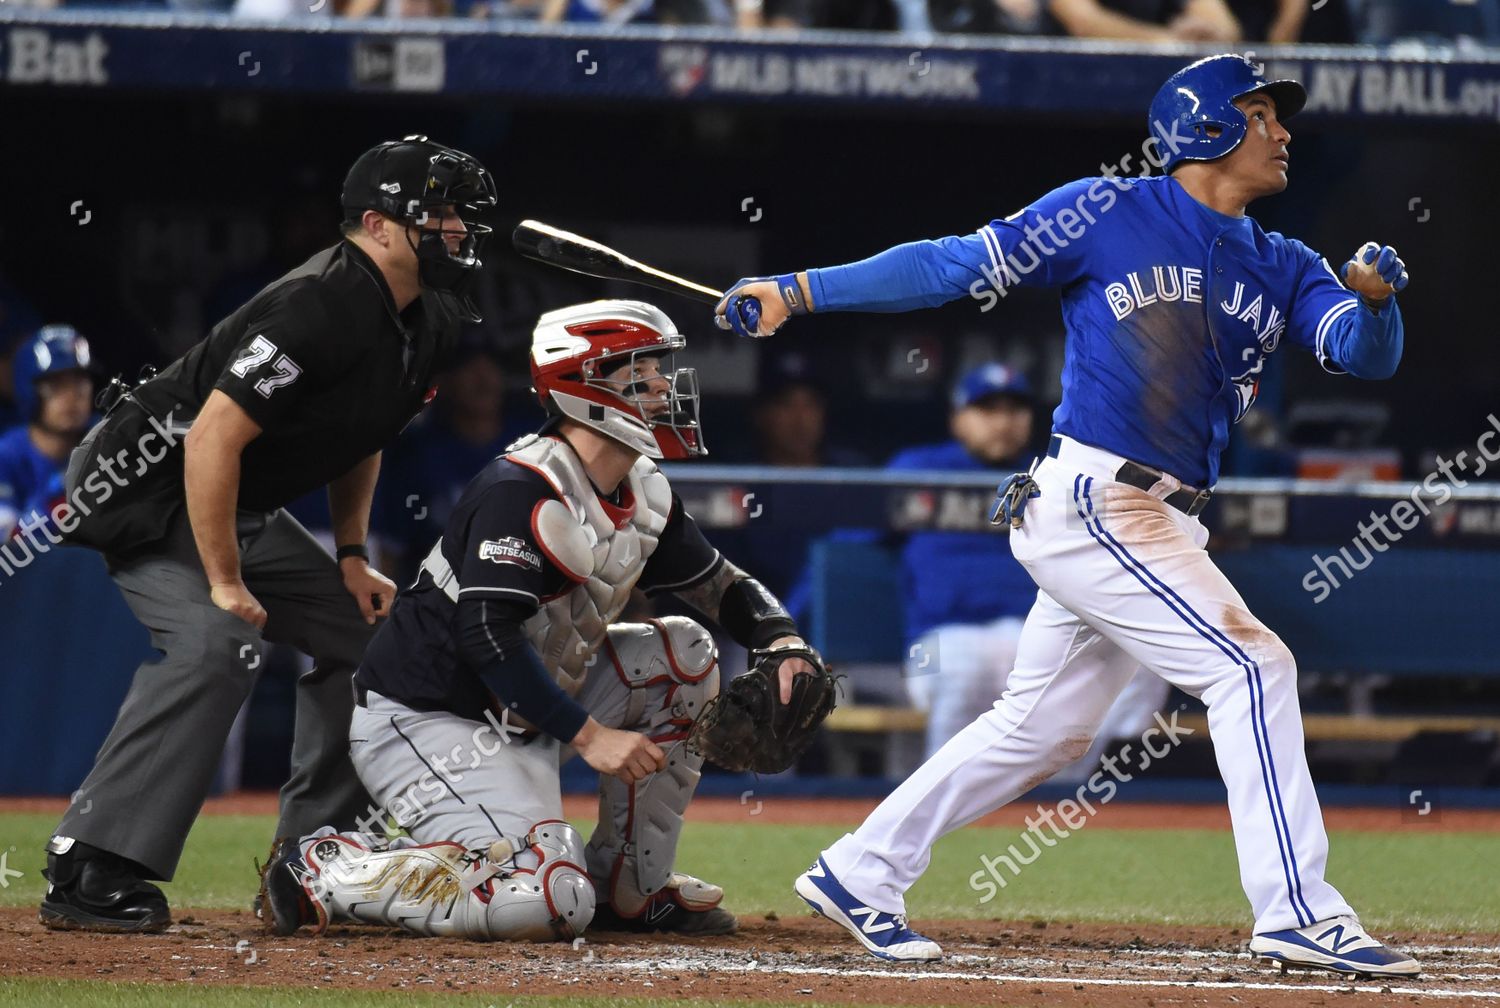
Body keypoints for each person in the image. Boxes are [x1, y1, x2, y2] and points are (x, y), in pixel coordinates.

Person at [714, 54, 1419, 978]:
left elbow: (1360, 356)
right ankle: (1296, 910)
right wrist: (800, 289)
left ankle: (861, 870)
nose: (1282, 131)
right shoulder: (1109, 210)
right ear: (1205, 127)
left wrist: (1378, 304)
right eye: (1259, 114)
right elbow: (951, 264)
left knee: (1039, 730)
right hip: (1098, 501)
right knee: (1254, 666)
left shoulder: (1281, 262)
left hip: (1164, 518)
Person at [40, 135, 496, 934]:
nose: (458, 230)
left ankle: (313, 857)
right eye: (443, 214)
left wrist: (352, 555)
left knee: (372, 640)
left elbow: (366, 429)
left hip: (228, 498)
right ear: (381, 225)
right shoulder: (318, 302)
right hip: (139, 487)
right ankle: (90, 865)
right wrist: (224, 579)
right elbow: (211, 437)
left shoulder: (431, 315)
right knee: (219, 642)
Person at [256, 300, 817, 942]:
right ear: (586, 385)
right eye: (641, 371)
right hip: (433, 718)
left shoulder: (642, 486)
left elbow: (720, 586)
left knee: (685, 654)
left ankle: (630, 889)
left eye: (661, 369)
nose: (664, 385)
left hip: (526, 707)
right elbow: (485, 636)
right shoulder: (520, 487)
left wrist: (783, 639)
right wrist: (589, 736)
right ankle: (330, 870)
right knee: (548, 900)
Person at [895, 363, 1171, 765]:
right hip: (940, 642)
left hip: (1034, 634)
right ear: (958, 419)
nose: (1003, 422)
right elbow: (843, 545)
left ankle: (1064, 797)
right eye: (987, 410)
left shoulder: (1055, 475)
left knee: (1130, 656)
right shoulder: (917, 470)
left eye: (1015, 410)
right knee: (966, 667)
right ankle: (945, 797)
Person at [0, 325, 93, 542]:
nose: (72, 397)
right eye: (56, 385)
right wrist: (60, 508)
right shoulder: (6, 456)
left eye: (79, 383)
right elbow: (7, 543)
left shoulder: (107, 440)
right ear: (28, 390)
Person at [1045, 0, 1239, 41]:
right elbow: (1081, 20)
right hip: (1074, 90)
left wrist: (1207, 33)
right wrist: (1167, 40)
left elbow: (1227, 30)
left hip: (1158, 95)